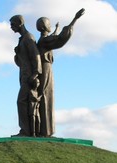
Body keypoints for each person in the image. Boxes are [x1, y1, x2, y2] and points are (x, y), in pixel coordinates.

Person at [36, 9, 85, 137]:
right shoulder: (44, 41)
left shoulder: (43, 40)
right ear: (44, 26)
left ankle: (45, 130)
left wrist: (56, 29)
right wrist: (75, 19)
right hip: (46, 69)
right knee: (46, 95)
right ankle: (45, 131)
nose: (51, 25)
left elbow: (54, 37)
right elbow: (60, 39)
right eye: (49, 24)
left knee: (47, 95)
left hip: (46, 68)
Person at [10, 15, 42, 137]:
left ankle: (25, 131)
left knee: (21, 101)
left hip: (29, 77)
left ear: (20, 23)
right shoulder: (22, 39)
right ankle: (27, 131)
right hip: (24, 75)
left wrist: (35, 74)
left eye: (13, 24)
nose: (11, 27)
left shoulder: (28, 38)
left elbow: (36, 56)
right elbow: (20, 63)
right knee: (25, 103)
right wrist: (17, 54)